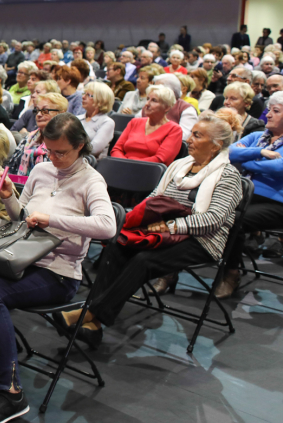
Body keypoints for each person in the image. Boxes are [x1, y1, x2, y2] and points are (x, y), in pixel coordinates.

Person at [0, 113, 114, 423]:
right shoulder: (42, 170)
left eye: (62, 153)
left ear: (81, 146)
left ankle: (11, 392)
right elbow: (22, 219)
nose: (54, 159)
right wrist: (8, 200)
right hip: (21, 257)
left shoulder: (91, 181)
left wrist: (53, 219)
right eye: (49, 151)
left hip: (58, 272)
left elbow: (107, 227)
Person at [57, 113, 243, 345]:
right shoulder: (179, 165)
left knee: (144, 260)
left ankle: (89, 313)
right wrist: (146, 221)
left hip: (202, 240)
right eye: (191, 133)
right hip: (162, 232)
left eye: (197, 135)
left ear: (216, 146)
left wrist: (171, 226)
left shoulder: (228, 176)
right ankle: (93, 326)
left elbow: (213, 220)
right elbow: (155, 198)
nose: (189, 139)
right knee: (117, 248)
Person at [217, 91, 283, 297]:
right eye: (269, 109)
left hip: (282, 206)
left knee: (234, 220)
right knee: (208, 209)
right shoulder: (257, 137)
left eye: (275, 111)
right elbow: (227, 153)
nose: (268, 115)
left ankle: (231, 274)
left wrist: (245, 161)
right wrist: (260, 152)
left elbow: (281, 167)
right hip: (247, 197)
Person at [111, 85, 183, 164]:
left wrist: (131, 164)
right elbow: (116, 149)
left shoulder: (174, 129)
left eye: (154, 100)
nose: (147, 104)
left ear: (166, 108)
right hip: (121, 166)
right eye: (148, 99)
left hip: (148, 171)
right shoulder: (134, 122)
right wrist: (124, 163)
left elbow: (161, 159)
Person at [5, 93, 68, 182]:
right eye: (37, 110)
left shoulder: (66, 142)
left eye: (45, 111)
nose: (38, 114)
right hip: (19, 186)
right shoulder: (29, 137)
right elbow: (11, 166)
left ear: (61, 113)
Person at [81, 81, 115, 160]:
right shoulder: (76, 118)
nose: (83, 97)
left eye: (88, 95)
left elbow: (94, 149)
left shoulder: (106, 122)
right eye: (84, 93)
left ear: (100, 100)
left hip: (90, 164)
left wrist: (67, 149)